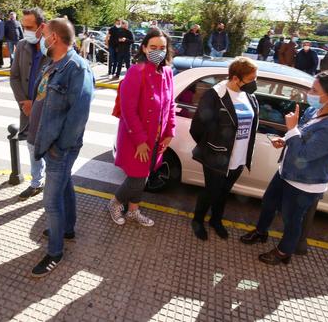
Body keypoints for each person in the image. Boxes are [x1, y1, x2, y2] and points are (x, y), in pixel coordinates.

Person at [240, 70, 328, 265]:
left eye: (314, 89)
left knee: (291, 219)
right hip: (286, 171)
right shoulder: (313, 111)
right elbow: (300, 138)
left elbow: (305, 154)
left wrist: (291, 129)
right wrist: (285, 139)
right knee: (268, 203)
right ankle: (261, 232)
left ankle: (284, 252)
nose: (309, 92)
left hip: (305, 183)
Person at [30, 18, 94, 277]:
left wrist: (60, 146)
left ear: (54, 38)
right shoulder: (52, 63)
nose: (41, 37)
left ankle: (55, 251)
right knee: (65, 184)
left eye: (44, 33)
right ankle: (67, 229)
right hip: (49, 141)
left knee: (51, 201)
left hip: (60, 145)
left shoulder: (77, 68)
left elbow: (79, 114)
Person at [109, 29, 176, 228]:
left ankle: (133, 211)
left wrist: (169, 132)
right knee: (137, 177)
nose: (158, 51)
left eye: (162, 48)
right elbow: (129, 111)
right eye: (153, 47)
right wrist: (139, 141)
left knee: (144, 176)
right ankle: (115, 203)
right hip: (135, 138)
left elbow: (170, 104)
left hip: (156, 138)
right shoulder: (136, 72)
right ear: (144, 48)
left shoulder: (167, 72)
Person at [189, 57, 259, 240]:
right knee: (211, 190)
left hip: (239, 157)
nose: (255, 83)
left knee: (224, 191)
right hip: (216, 156)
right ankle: (197, 220)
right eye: (251, 79)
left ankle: (216, 220)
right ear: (236, 78)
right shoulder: (215, 95)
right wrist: (211, 147)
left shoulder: (248, 95)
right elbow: (197, 127)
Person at [9, 7, 50, 201]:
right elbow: (14, 77)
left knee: (51, 151)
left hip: (48, 110)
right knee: (32, 148)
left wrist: (37, 103)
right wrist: (24, 103)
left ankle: (53, 185)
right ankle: (36, 183)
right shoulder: (22, 45)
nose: (26, 31)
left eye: (30, 27)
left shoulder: (53, 47)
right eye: (23, 26)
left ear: (42, 26)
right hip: (26, 110)